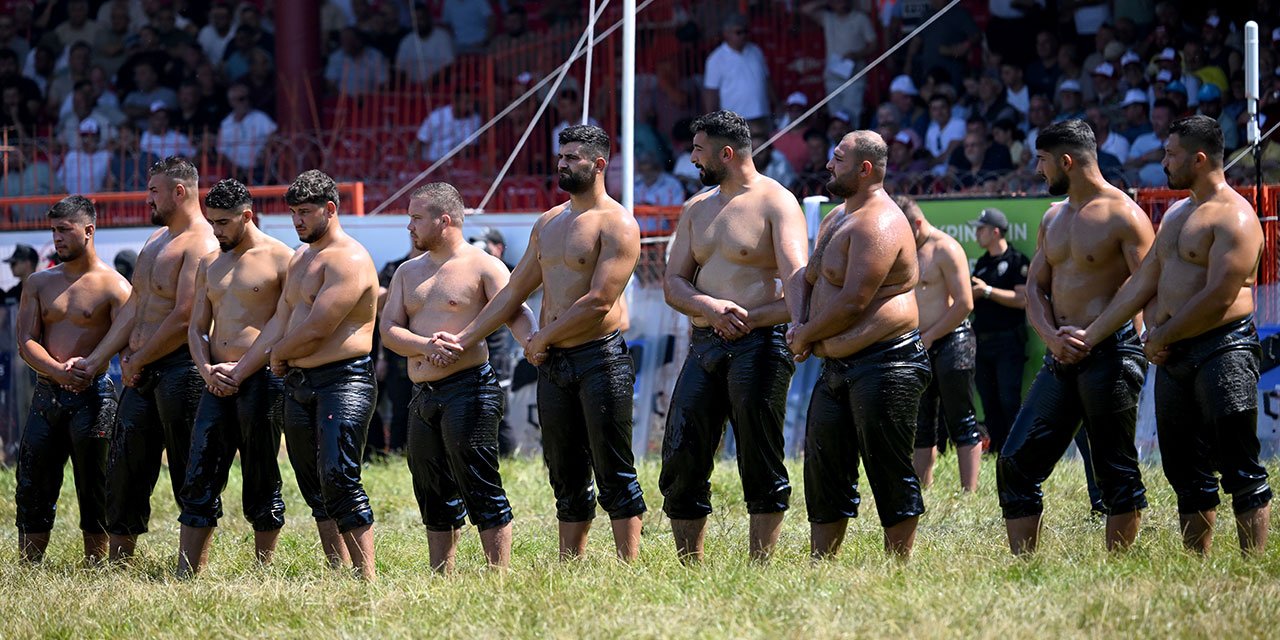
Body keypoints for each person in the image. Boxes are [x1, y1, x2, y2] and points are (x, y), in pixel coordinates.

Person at [430, 125, 647, 561]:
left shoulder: (618, 223)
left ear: (599, 164)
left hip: (599, 357)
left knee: (613, 467)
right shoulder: (549, 221)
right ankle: (571, 561)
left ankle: (630, 566)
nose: (563, 164)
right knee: (563, 468)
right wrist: (465, 337)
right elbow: (512, 292)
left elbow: (599, 301)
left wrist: (541, 337)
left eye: (574, 158)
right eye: (561, 155)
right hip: (554, 361)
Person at [1076, 115, 1272, 556]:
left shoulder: (1237, 218)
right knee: (1184, 467)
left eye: (1171, 154)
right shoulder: (1178, 213)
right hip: (1173, 353)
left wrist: (1160, 334)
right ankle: (1195, 561)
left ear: (1199, 159)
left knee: (1239, 464)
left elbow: (1219, 297)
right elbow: (1144, 282)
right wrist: (1093, 336)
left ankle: (1251, 561)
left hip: (1224, 347)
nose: (1163, 162)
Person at [997, 120, 1154, 555]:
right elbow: (1034, 288)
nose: (1038, 170)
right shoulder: (1054, 216)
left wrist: (1091, 335)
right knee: (1015, 462)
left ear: (1067, 161)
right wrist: (1051, 338)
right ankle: (1024, 569)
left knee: (1113, 471)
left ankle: (1119, 568)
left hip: (1113, 351)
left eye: (1043, 161)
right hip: (1061, 355)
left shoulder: (1124, 215)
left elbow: (1145, 287)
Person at [658, 110, 808, 563]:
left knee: (759, 456)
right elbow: (673, 283)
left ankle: (761, 565)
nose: (691, 159)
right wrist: (710, 308)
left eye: (699, 150)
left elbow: (798, 282)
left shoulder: (776, 202)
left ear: (727, 153)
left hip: (759, 344)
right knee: (682, 454)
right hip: (704, 344)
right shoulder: (696, 208)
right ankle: (690, 564)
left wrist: (759, 320)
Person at [232, 170, 380, 579]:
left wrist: (278, 354)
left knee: (339, 475)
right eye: (293, 212)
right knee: (313, 481)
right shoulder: (301, 258)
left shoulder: (348, 258)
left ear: (330, 210)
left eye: (305, 212)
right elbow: (281, 318)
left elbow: (319, 326)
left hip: (342, 379)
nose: (297, 221)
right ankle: (338, 569)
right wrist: (256, 362)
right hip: (298, 381)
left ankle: (366, 576)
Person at [380, 183, 536, 572]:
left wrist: (534, 344)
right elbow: (389, 330)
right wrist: (424, 344)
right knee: (430, 484)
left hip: (469, 386)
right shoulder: (406, 271)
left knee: (478, 479)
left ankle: (497, 574)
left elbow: (516, 310)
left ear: (443, 220)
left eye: (416, 218)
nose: (410, 227)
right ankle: (441, 574)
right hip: (422, 391)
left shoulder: (482, 265)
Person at [69, 157, 218, 562]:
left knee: (190, 468)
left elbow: (185, 314)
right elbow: (136, 306)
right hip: (142, 369)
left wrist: (137, 359)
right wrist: (99, 358)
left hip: (181, 368)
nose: (147, 197)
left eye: (154, 190)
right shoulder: (155, 240)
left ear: (179, 192)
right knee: (125, 467)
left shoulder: (202, 242)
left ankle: (192, 567)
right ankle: (119, 562)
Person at [791, 131, 929, 559]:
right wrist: (798, 323)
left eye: (838, 159)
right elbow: (808, 276)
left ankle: (898, 566)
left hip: (887, 363)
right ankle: (822, 562)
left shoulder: (881, 222)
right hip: (836, 366)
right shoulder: (836, 218)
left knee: (888, 467)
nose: (829, 165)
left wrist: (807, 335)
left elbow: (854, 301)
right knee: (823, 465)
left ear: (864, 169)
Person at [175, 179, 293, 577]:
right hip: (215, 381)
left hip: (261, 379)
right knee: (199, 472)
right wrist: (206, 369)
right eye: (211, 223)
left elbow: (282, 323)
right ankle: (188, 570)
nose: (216, 231)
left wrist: (242, 370)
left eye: (224, 223)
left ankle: (264, 569)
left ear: (247, 216)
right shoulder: (210, 262)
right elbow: (195, 328)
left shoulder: (281, 258)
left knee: (261, 473)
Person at [14, 196, 131, 563]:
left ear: (88, 230)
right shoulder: (38, 282)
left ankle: (95, 565)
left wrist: (91, 365)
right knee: (33, 482)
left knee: (95, 484)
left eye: (64, 230)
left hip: (94, 396)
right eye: (53, 230)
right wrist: (57, 369)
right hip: (47, 394)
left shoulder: (114, 286)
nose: (57, 238)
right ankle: (30, 565)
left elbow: (127, 341)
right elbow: (25, 342)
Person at [896, 195, 980, 492]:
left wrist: (931, 334)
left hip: (952, 340)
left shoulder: (945, 248)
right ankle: (923, 486)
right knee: (921, 422)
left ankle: (969, 491)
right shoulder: (906, 251)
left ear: (917, 224)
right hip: (918, 343)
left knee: (961, 418)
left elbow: (964, 303)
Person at [968, 207, 1029, 456]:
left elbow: (1022, 299)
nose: (977, 234)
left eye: (981, 229)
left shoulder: (1017, 260)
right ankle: (996, 451)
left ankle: (1016, 451)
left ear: (995, 232)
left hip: (1008, 343)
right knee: (989, 401)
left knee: (1008, 399)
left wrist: (988, 291)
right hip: (982, 343)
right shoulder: (982, 263)